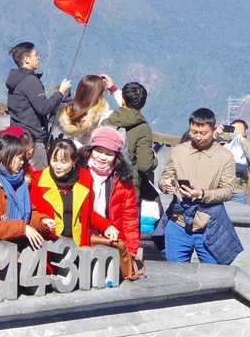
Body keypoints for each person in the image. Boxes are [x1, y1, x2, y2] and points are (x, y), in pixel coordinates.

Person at [158, 108, 242, 265]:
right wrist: (165, 184)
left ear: (213, 130)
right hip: (178, 223)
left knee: (213, 274)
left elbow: (228, 191)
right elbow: (164, 177)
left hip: (209, 224)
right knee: (175, 273)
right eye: (193, 132)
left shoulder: (225, 157)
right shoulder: (178, 151)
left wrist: (202, 194)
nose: (197, 137)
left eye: (203, 133)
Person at [0, 134, 53, 250]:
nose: (22, 163)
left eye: (23, 159)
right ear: (6, 157)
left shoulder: (20, 183)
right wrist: (22, 228)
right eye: (19, 158)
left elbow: (28, 213)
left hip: (19, 248)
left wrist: (42, 222)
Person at [30, 139, 119, 247]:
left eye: (64, 162)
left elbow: (87, 213)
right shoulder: (37, 180)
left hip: (76, 245)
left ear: (74, 161)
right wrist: (43, 222)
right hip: (47, 245)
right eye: (54, 160)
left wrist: (106, 226)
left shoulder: (85, 178)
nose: (58, 166)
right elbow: (32, 213)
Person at [5, 42, 71, 169]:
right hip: (33, 139)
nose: (38, 58)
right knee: (39, 176)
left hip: (18, 136)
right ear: (26, 59)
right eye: (35, 55)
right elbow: (44, 108)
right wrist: (60, 93)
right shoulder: (31, 81)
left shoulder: (16, 81)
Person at [78, 127, 140, 255]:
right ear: (90, 150)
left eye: (108, 154)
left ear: (116, 156)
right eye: (98, 151)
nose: (102, 157)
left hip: (109, 243)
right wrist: (104, 224)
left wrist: (130, 252)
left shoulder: (123, 180)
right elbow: (78, 209)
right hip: (79, 237)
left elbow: (130, 219)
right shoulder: (78, 173)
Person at [101, 81, 158, 201]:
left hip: (103, 183)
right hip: (128, 187)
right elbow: (144, 165)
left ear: (123, 100)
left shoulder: (107, 122)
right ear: (143, 103)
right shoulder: (143, 128)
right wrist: (154, 159)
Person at [50, 75, 113, 148]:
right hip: (89, 151)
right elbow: (124, 111)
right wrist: (113, 89)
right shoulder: (104, 115)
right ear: (99, 93)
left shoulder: (66, 112)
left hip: (69, 149)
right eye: (104, 90)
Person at [216, 119, 250, 204]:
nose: (235, 132)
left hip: (238, 191)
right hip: (221, 189)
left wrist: (242, 139)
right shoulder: (222, 144)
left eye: (239, 130)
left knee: (238, 212)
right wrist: (216, 134)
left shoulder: (246, 146)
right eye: (233, 129)